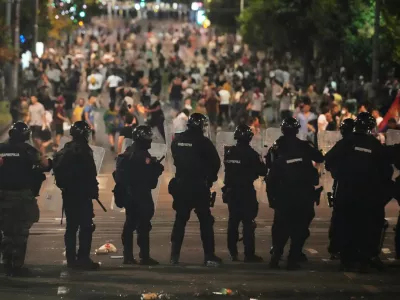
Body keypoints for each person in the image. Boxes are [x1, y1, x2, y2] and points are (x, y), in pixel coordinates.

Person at [325, 112, 389, 273]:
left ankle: (346, 260)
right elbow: (386, 170)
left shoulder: (346, 142)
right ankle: (364, 260)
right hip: (367, 194)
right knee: (366, 227)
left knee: (346, 225)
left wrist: (339, 172)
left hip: (346, 192)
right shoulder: (374, 144)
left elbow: (329, 159)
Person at [266, 117, 324, 270]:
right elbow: (319, 157)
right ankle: (293, 257)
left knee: (280, 227)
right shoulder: (304, 146)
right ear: (297, 130)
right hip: (303, 194)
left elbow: (268, 166)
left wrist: (272, 196)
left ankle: (276, 256)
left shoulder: (276, 146)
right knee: (300, 228)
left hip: (284, 194)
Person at [169, 113, 222, 266]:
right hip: (198, 186)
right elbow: (216, 163)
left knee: (180, 220)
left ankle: (174, 255)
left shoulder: (177, 140)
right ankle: (209, 255)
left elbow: (176, 158)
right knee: (205, 221)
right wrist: (209, 179)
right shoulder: (204, 142)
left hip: (181, 185)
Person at [0, 122, 51, 276]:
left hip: (2, 194)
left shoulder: (1, 148)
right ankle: (16, 264)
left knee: (6, 230)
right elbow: (45, 165)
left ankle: (6, 261)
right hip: (21, 196)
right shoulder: (28, 150)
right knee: (21, 231)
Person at [54, 121, 100, 270]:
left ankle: (71, 259)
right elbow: (91, 173)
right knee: (86, 227)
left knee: (71, 227)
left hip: (68, 194)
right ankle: (83, 258)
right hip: (83, 195)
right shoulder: (85, 150)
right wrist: (94, 190)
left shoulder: (65, 149)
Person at [115, 126, 164, 265]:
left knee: (130, 224)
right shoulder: (142, 155)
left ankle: (128, 256)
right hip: (140, 194)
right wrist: (157, 169)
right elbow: (149, 180)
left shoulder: (128, 152)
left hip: (129, 194)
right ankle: (144, 256)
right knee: (143, 225)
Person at [223, 124, 265, 262]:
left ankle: (232, 252)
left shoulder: (229, 152)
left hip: (232, 191)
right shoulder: (252, 154)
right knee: (248, 223)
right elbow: (263, 171)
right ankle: (249, 254)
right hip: (246, 191)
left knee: (233, 222)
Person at [327, 118, 355, 260]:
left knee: (339, 217)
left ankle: (336, 248)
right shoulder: (364, 143)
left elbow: (328, 159)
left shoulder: (343, 144)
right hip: (361, 188)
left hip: (343, 186)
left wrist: (336, 171)